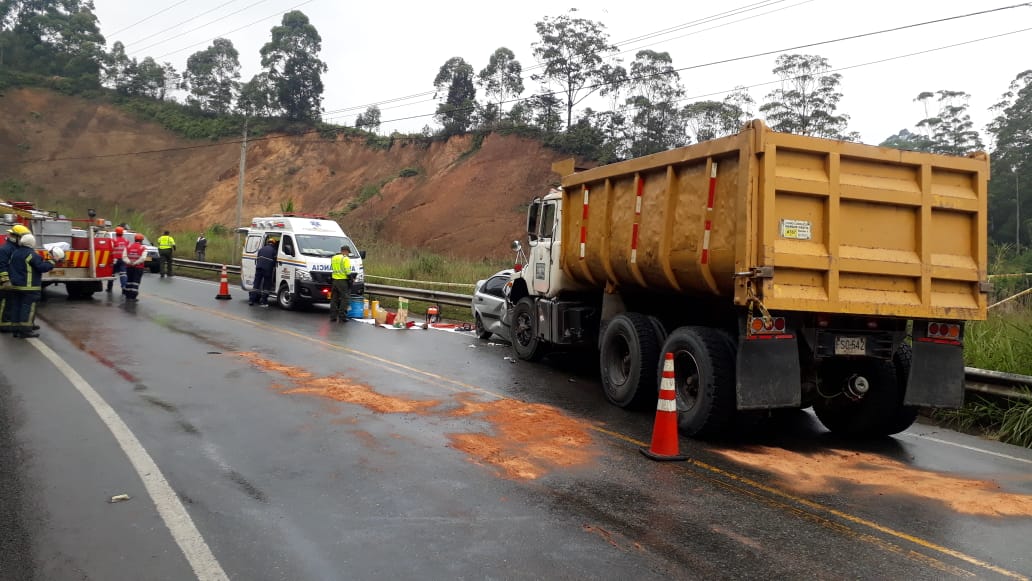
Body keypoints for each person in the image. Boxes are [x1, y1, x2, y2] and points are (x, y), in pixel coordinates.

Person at [7, 233, 57, 338]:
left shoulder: (15, 253)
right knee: (28, 308)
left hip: (15, 286)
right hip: (29, 287)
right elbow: (42, 267)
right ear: (32, 243)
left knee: (16, 306)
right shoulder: (32, 255)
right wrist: (52, 261)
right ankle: (26, 330)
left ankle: (16, 329)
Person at [0, 224, 31, 333]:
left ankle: (10, 323)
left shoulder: (15, 248)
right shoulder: (6, 249)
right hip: (5, 282)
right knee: (5, 303)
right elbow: (2, 265)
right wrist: (5, 280)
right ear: (16, 237)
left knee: (12, 303)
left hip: (13, 280)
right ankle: (3, 325)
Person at [250, 238, 278, 307]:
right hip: (267, 269)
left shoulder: (261, 249)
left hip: (259, 268)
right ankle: (263, 302)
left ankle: (251, 300)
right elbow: (275, 261)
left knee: (256, 284)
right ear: (274, 244)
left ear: (268, 242)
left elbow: (257, 258)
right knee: (266, 285)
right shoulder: (274, 250)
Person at [329, 245, 353, 322]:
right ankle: (342, 316)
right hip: (342, 281)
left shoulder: (334, 258)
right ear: (345, 251)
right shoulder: (345, 258)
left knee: (334, 299)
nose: (348, 254)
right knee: (345, 299)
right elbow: (347, 270)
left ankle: (333, 316)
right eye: (348, 252)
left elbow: (332, 268)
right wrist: (351, 278)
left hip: (334, 280)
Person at [123, 233, 148, 301]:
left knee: (129, 281)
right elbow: (143, 258)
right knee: (136, 282)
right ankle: (133, 296)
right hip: (138, 267)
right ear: (141, 240)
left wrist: (129, 262)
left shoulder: (128, 247)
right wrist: (135, 263)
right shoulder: (143, 248)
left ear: (135, 239)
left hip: (129, 267)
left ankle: (128, 295)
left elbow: (124, 257)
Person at [108, 226, 129, 293]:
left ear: (116, 233)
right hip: (123, 259)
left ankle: (109, 287)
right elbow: (128, 250)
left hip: (115, 259)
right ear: (122, 233)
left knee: (112, 274)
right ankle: (123, 288)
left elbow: (110, 250)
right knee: (123, 274)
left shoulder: (113, 240)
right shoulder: (126, 241)